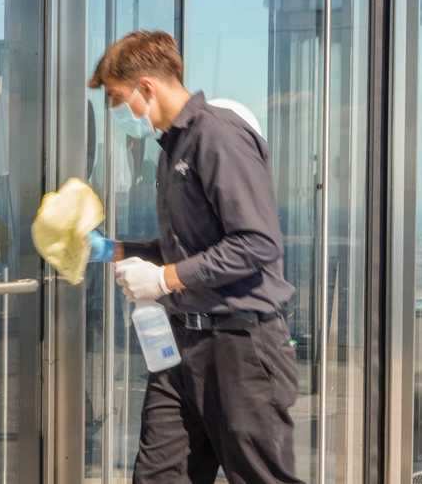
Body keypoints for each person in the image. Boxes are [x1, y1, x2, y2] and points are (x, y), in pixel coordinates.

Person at [87, 30, 303, 484]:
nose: (119, 113)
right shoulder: (172, 150)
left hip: (242, 346)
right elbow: (187, 248)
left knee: (260, 475)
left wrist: (165, 279)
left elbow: (257, 242)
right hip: (181, 346)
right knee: (158, 475)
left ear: (146, 88)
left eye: (117, 99)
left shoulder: (218, 136)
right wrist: (114, 249)